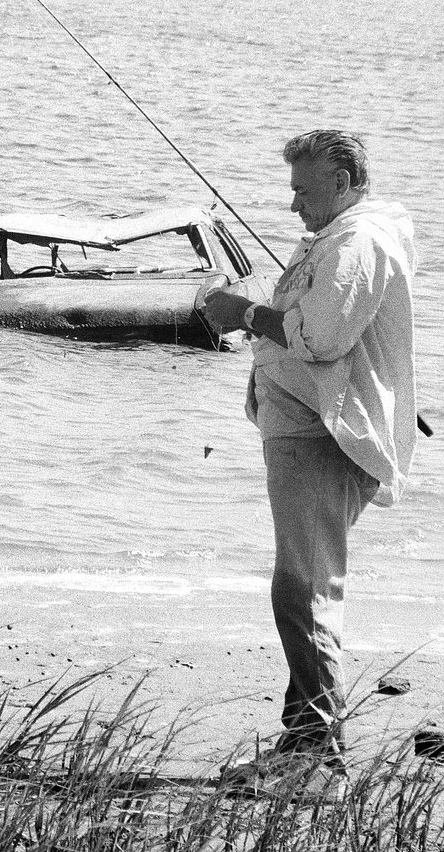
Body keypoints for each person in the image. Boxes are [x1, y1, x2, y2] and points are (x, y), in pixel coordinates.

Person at [204, 129, 417, 782]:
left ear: (345, 181)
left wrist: (242, 311)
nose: (293, 202)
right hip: (304, 428)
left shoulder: (358, 240)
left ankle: (316, 754)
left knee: (302, 590)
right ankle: (304, 744)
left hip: (322, 434)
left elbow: (321, 336)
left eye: (304, 188)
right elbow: (314, 319)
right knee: (302, 585)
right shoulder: (338, 237)